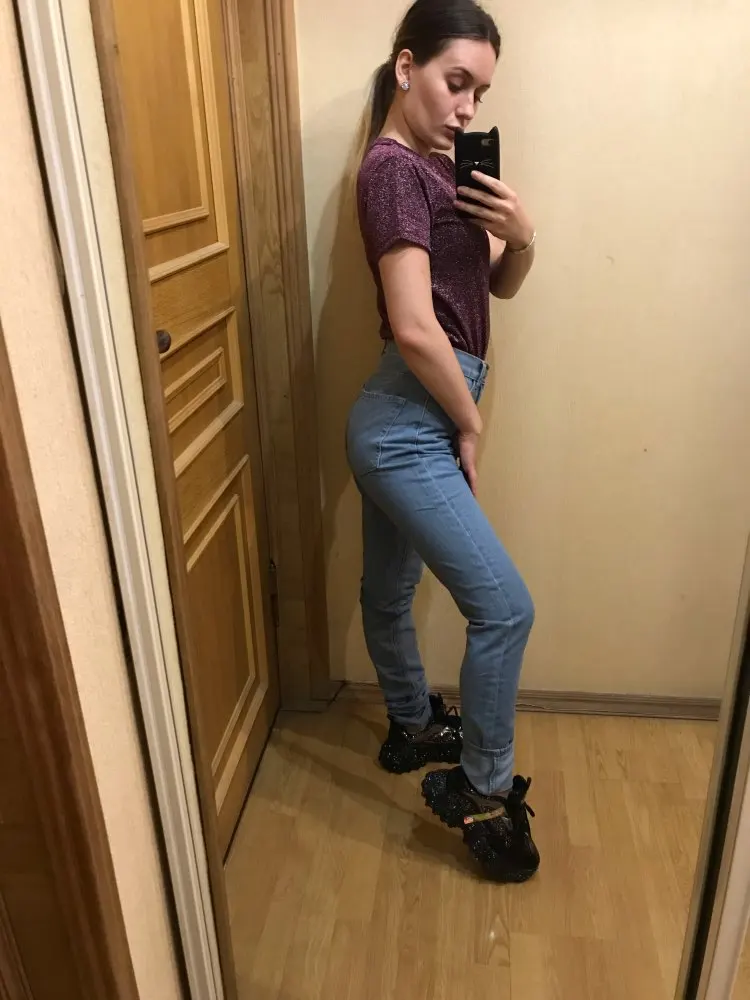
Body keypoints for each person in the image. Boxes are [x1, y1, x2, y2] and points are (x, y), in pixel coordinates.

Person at [345, 0, 539, 883]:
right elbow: (417, 327)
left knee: (390, 589)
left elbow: (495, 289)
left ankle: (412, 723)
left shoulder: (435, 170)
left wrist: (521, 238)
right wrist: (469, 420)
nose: (467, 107)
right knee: (505, 608)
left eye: (480, 92)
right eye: (455, 81)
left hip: (407, 416)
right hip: (409, 423)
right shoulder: (392, 170)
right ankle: (482, 788)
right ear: (406, 68)